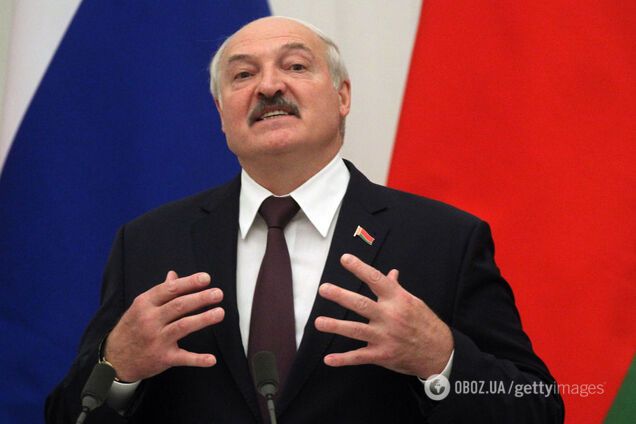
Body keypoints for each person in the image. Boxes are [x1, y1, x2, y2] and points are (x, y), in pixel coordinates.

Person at [46, 16, 564, 423]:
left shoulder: (442, 240)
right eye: (243, 75)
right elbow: (68, 414)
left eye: (295, 67)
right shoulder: (149, 243)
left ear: (342, 97)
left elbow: (536, 408)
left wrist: (441, 360)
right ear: (221, 114)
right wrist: (118, 367)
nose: (268, 86)